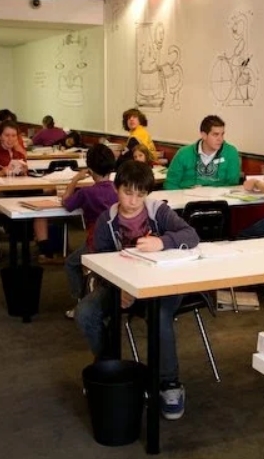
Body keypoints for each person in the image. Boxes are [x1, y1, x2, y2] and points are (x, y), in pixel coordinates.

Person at [75, 160, 200, 421]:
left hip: (162, 284)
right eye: (127, 193)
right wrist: (117, 287)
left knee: (160, 316)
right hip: (121, 286)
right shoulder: (106, 221)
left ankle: (169, 382)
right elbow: (99, 264)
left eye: (140, 195)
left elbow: (191, 235)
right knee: (85, 311)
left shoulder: (158, 211)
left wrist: (162, 242)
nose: (133, 201)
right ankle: (108, 362)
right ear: (116, 188)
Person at [0, 120, 54, 261]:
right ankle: (19, 236)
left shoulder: (19, 154)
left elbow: (23, 178)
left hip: (19, 190)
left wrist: (24, 171)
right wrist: (1, 172)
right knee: (27, 203)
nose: (11, 139)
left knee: (40, 205)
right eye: (7, 135)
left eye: (14, 136)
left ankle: (45, 251)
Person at [62, 144, 118, 319]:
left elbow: (66, 202)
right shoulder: (119, 189)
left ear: (90, 170)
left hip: (96, 242)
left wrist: (75, 179)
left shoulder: (86, 192)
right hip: (118, 241)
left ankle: (80, 301)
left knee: (71, 263)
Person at [164, 115, 241, 190]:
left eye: (222, 134)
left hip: (217, 197)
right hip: (185, 196)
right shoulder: (183, 153)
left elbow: (232, 185)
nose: (220, 139)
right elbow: (170, 183)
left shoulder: (231, 153)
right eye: (215, 135)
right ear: (204, 135)